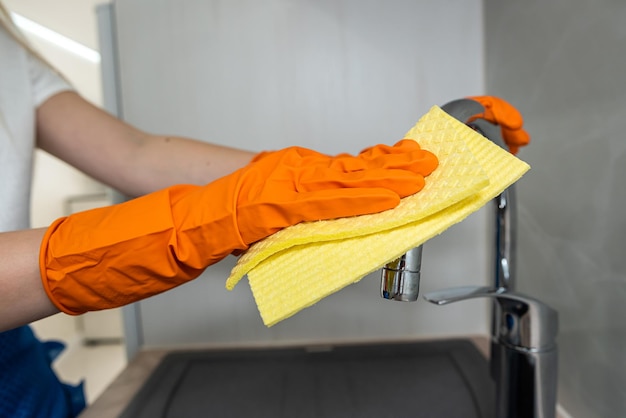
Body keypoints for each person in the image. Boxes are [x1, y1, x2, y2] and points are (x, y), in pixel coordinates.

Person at [0, 4, 530, 416]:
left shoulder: (9, 48)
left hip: (19, 362)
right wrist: (186, 223)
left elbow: (133, 154)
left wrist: (329, 174)